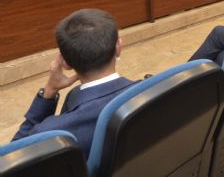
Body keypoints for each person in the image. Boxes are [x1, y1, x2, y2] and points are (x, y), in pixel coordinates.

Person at [11, 9, 136, 157]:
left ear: (65, 63)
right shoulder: (157, 90)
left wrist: (49, 92)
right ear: (118, 47)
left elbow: (12, 159)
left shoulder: (53, 134)